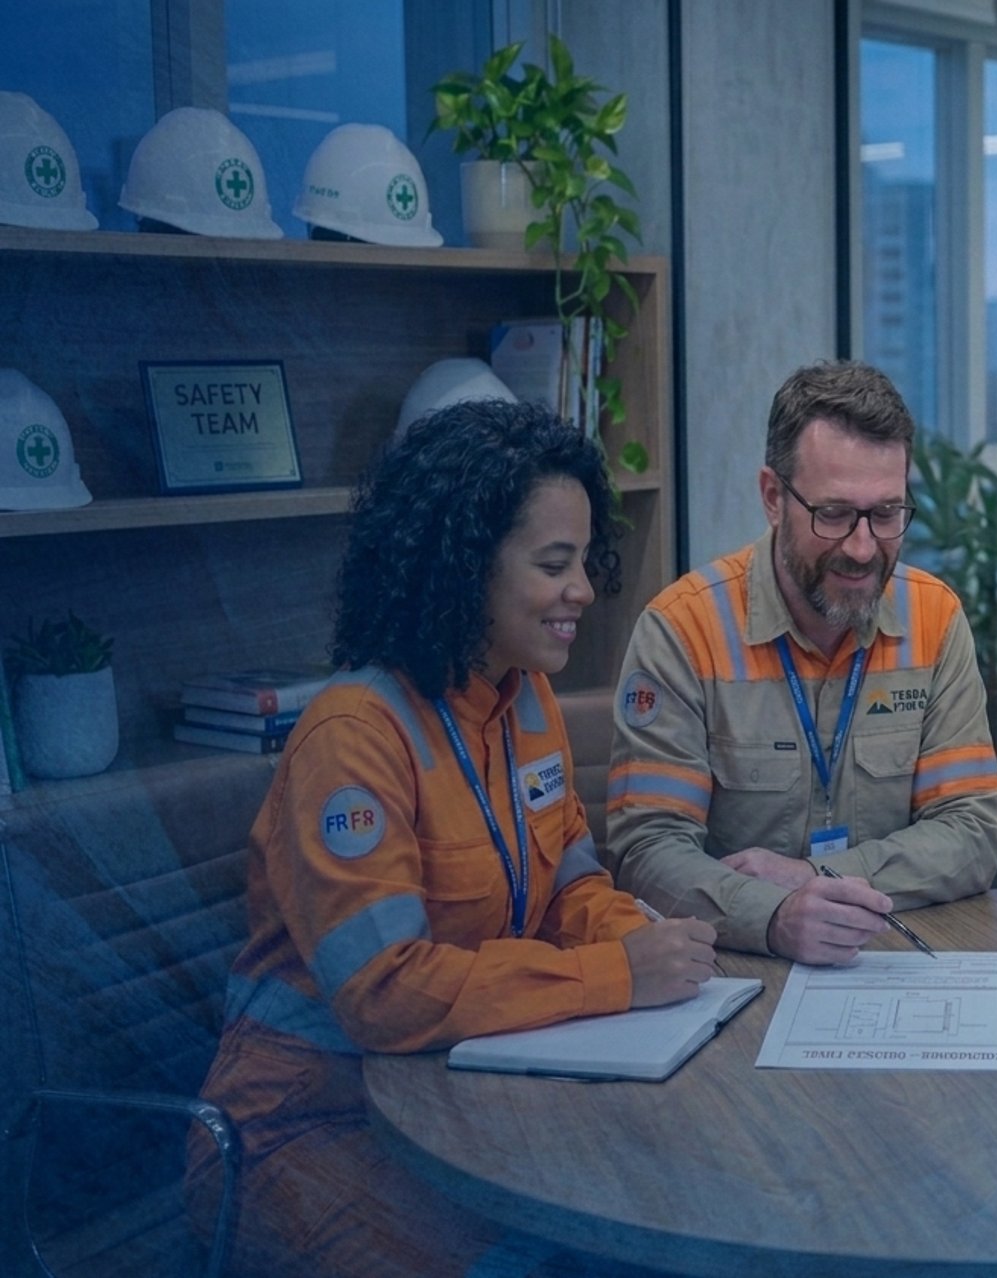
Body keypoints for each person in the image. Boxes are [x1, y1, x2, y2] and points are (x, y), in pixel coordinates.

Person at [187, 400, 718, 1278]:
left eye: (585, 560)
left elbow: (569, 887)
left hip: (462, 1096)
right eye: (555, 563)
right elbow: (382, 992)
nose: (584, 589)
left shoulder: (525, 699)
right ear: (464, 567)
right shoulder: (352, 737)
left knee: (652, 1225)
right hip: (303, 1124)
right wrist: (616, 976)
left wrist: (645, 944)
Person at [605, 361, 997, 964]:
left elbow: (972, 832)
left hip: (892, 957)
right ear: (773, 497)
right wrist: (775, 918)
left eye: (887, 514)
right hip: (733, 966)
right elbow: (647, 851)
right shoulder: (684, 629)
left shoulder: (934, 619)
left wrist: (818, 874)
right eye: (835, 514)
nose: (864, 547)